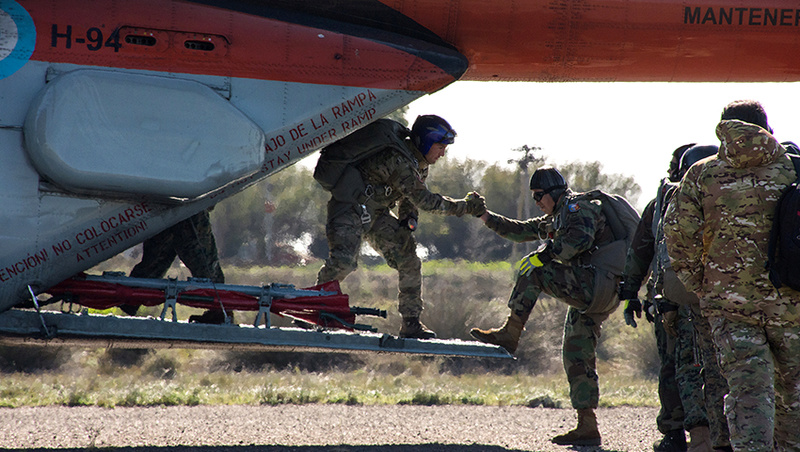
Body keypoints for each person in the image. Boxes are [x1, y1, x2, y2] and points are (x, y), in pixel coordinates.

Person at [665, 100, 800, 451]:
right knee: (795, 393)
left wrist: (704, 285)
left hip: (729, 307)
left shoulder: (700, 174)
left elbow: (678, 237)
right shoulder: (795, 168)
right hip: (793, 302)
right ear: (767, 128)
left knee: (747, 393)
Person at [470, 167, 629, 447]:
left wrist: (544, 256)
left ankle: (510, 333)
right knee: (576, 354)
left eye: (540, 196)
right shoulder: (557, 216)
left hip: (598, 285)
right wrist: (484, 215)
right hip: (595, 291)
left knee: (535, 270)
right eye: (534, 197)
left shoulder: (580, 207)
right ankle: (587, 426)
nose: (537, 202)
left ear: (555, 193)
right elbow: (520, 230)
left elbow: (578, 241)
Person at [315, 115, 484, 339]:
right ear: (425, 142)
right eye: (440, 146)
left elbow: (409, 199)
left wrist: (408, 219)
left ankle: (411, 324)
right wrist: (466, 207)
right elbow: (426, 201)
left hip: (376, 214)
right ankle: (314, 306)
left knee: (409, 260)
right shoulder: (400, 161)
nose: (443, 153)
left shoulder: (418, 164)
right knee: (343, 262)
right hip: (349, 210)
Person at [620, 144, 730, 452]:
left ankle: (686, 435)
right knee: (711, 368)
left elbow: (641, 251)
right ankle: (709, 436)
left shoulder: (666, 201)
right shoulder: (723, 198)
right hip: (708, 299)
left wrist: (630, 293)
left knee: (680, 366)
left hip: (672, 299)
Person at [121, 208, 228, 323]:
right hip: (183, 202)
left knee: (157, 258)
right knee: (203, 263)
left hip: (170, 202)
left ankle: (218, 311)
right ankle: (218, 310)